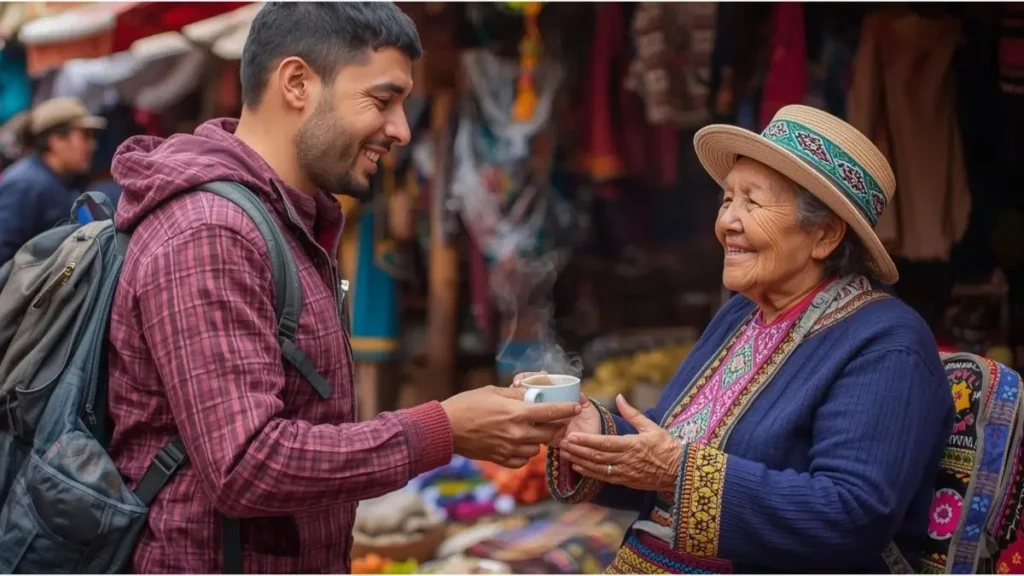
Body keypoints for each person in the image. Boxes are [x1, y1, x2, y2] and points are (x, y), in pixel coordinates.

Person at [106, 3, 579, 573]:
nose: (402, 129)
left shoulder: (283, 220)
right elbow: (245, 465)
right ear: (298, 83)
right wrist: (443, 429)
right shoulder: (211, 232)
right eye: (382, 101)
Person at [518, 105, 955, 573]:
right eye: (728, 200)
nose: (728, 221)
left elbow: (852, 514)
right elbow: (666, 451)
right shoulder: (741, 315)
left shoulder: (886, 345)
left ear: (824, 236)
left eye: (753, 202)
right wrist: (590, 433)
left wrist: (676, 472)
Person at [0, 97, 104, 263]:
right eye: (85, 136)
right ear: (56, 140)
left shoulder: (69, 182)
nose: (92, 145)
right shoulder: (24, 185)